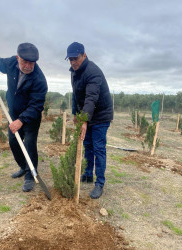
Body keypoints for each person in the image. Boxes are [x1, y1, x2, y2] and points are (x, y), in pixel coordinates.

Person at [0, 43, 48, 192]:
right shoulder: (11, 62)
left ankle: (30, 175)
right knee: (14, 142)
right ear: (17, 57)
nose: (27, 66)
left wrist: (21, 120)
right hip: (13, 112)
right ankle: (23, 166)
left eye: (31, 63)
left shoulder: (39, 80)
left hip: (30, 117)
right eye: (24, 62)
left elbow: (36, 106)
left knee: (29, 144)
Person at [65, 42, 113, 199]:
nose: (73, 62)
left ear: (84, 55)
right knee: (87, 145)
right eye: (70, 59)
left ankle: (99, 183)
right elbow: (76, 95)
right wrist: (75, 113)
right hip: (87, 112)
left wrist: (84, 120)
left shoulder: (93, 72)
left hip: (101, 114)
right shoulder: (74, 71)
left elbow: (91, 98)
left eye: (75, 58)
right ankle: (87, 174)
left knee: (98, 147)